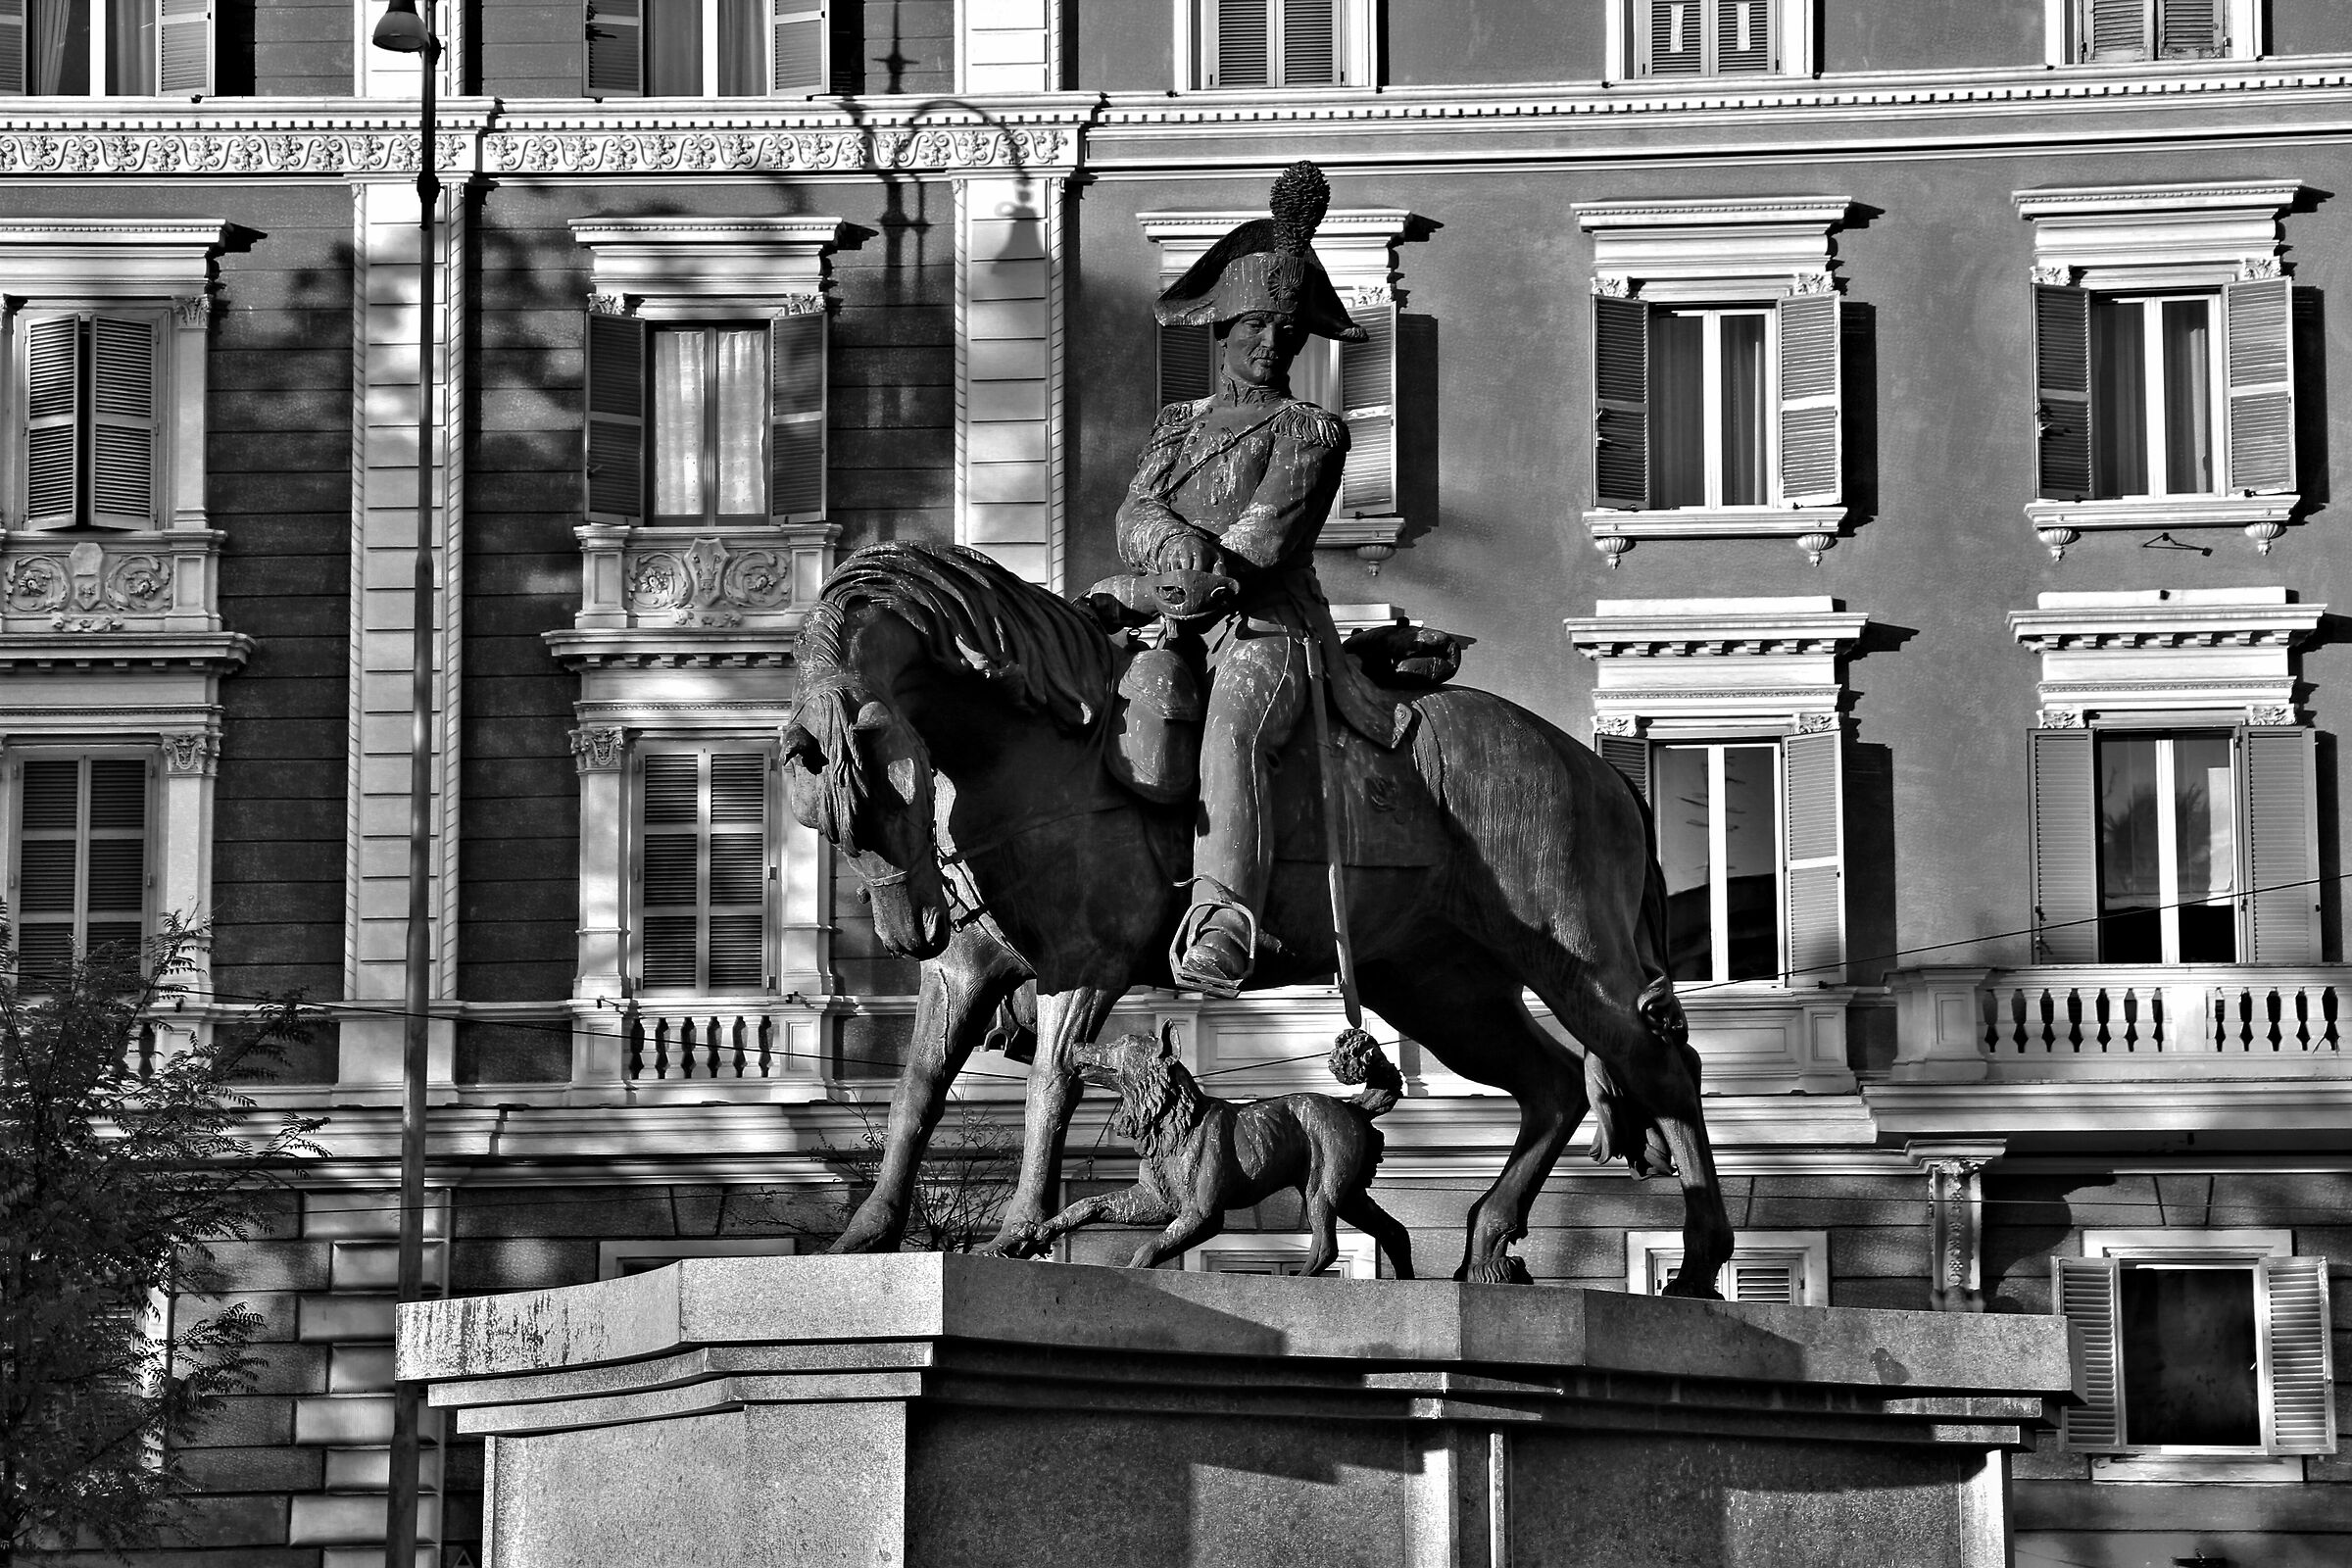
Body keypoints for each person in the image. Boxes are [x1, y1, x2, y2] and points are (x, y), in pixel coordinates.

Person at [1113, 161, 1410, 1000]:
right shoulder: (1179, 426)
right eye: (1258, 327)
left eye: (1287, 333)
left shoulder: (1313, 429)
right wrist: (1167, 554)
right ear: (1225, 328)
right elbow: (1134, 513)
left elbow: (1262, 544)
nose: (1273, 343)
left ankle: (1223, 920)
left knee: (1231, 733)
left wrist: (1165, 579)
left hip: (1269, 632)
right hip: (1172, 620)